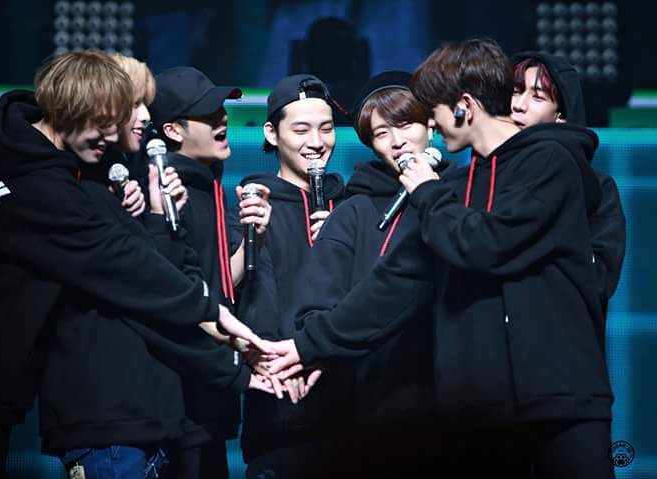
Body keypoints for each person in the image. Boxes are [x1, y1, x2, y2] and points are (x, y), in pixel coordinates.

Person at [264, 38, 615, 478]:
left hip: (561, 401)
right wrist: (308, 344)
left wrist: (427, 193)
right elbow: (398, 280)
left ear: (464, 107)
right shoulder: (454, 189)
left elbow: (488, 244)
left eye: (434, 111)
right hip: (481, 413)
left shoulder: (550, 162)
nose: (430, 123)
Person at [0, 50, 269, 478]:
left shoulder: (16, 160)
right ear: (70, 110)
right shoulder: (40, 191)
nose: (115, 133)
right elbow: (131, 268)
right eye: (107, 120)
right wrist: (217, 320)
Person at [290, 71, 451, 477]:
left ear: (431, 126)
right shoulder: (355, 212)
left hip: (455, 409)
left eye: (406, 124)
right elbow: (313, 309)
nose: (397, 141)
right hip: (371, 409)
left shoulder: (460, 200)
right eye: (381, 133)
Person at [149, 66, 274, 479]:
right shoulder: (166, 190)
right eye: (206, 114)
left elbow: (216, 287)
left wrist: (254, 237)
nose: (222, 119)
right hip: (176, 398)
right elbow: (175, 295)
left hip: (209, 396)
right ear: (172, 130)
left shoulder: (207, 184)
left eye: (221, 109)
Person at [233, 73, 346, 479]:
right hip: (281, 407)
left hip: (351, 407)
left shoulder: (351, 204)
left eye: (326, 129)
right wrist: (285, 363)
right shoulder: (252, 204)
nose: (316, 142)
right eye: (301, 130)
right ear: (272, 133)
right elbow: (247, 295)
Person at [511, 51, 626, 321]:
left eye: (537, 97)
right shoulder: (486, 176)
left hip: (559, 336)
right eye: (515, 92)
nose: (519, 105)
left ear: (561, 116)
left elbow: (600, 280)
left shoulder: (597, 188)